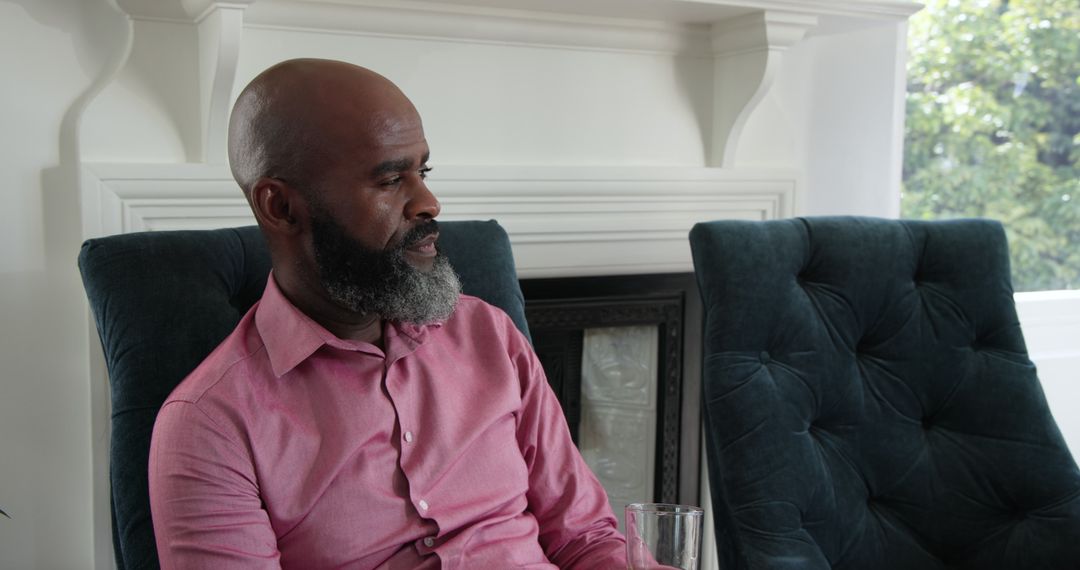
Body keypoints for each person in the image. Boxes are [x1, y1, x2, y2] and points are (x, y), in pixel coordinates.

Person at [147, 58, 628, 569]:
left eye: (422, 171)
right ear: (281, 207)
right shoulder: (210, 426)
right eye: (391, 179)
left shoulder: (489, 335)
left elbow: (586, 539)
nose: (429, 202)